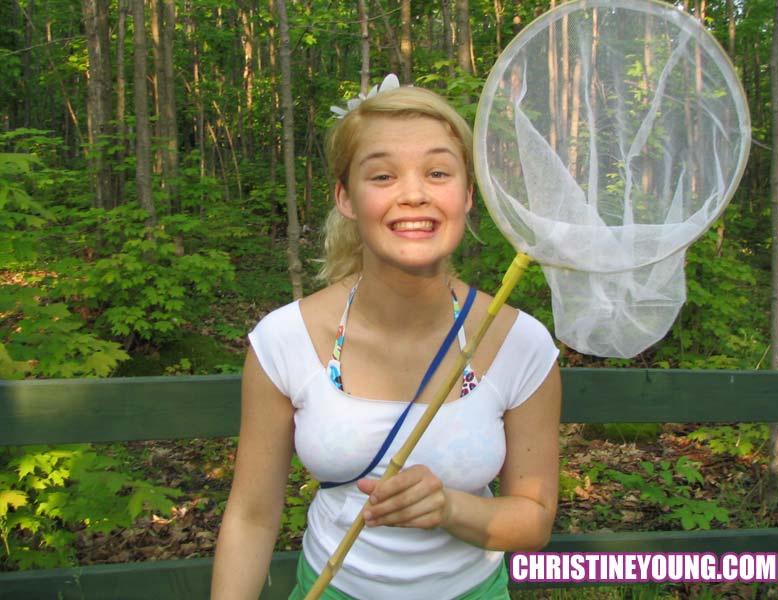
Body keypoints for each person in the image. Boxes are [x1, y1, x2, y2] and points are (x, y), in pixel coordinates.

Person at [210, 77, 562, 600]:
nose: (414, 194)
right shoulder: (285, 340)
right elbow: (252, 516)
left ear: (468, 195)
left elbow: (533, 521)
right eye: (382, 175)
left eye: (438, 172)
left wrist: (448, 507)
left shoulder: (521, 345)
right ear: (346, 197)